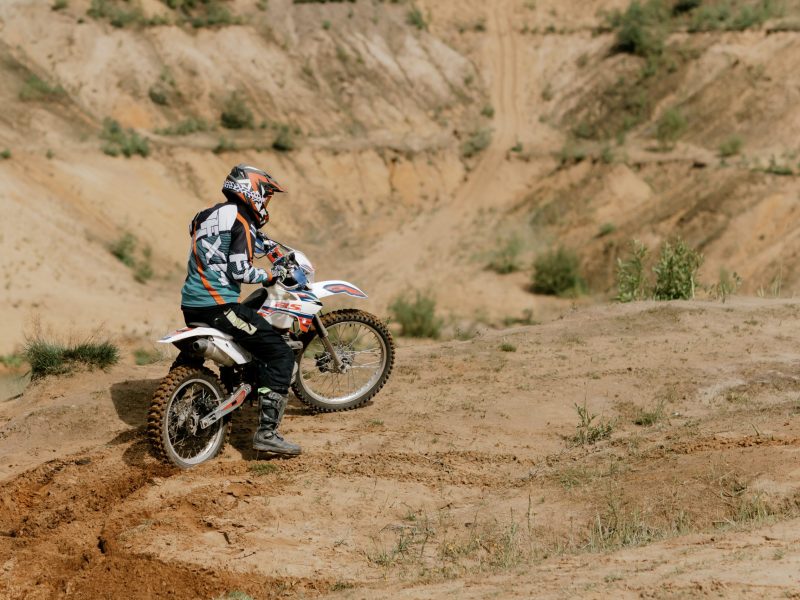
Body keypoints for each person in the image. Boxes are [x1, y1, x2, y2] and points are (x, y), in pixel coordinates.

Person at [180, 164, 301, 456]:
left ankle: (235, 381)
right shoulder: (243, 223)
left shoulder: (205, 215)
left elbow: (220, 244)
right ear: (253, 192)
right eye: (266, 196)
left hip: (191, 305)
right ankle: (267, 433)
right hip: (219, 306)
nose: (267, 203)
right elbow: (240, 271)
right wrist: (272, 276)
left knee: (249, 334)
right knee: (280, 353)